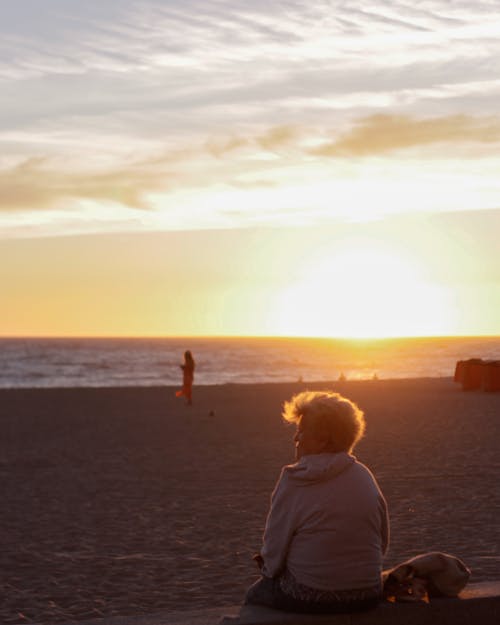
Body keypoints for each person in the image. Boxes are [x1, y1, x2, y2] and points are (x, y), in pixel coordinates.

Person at [245, 390, 389, 614]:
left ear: (322, 440)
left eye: (301, 432)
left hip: (311, 594)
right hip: (369, 592)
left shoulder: (295, 479)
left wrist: (268, 572)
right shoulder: (363, 474)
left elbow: (273, 553)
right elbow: (382, 541)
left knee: (254, 597)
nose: (295, 439)